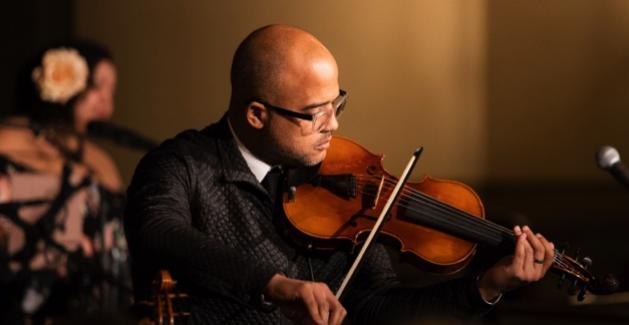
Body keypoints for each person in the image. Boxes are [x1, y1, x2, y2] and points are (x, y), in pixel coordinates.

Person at [124, 24, 555, 325]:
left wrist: (488, 285)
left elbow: (376, 307)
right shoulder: (182, 165)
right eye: (314, 114)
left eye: (337, 104)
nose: (334, 125)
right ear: (257, 114)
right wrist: (274, 285)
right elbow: (157, 229)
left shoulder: (346, 181)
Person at [0, 41, 129, 323]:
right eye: (97, 86)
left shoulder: (100, 160)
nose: (108, 102)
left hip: (87, 305)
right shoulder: (11, 136)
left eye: (112, 90)